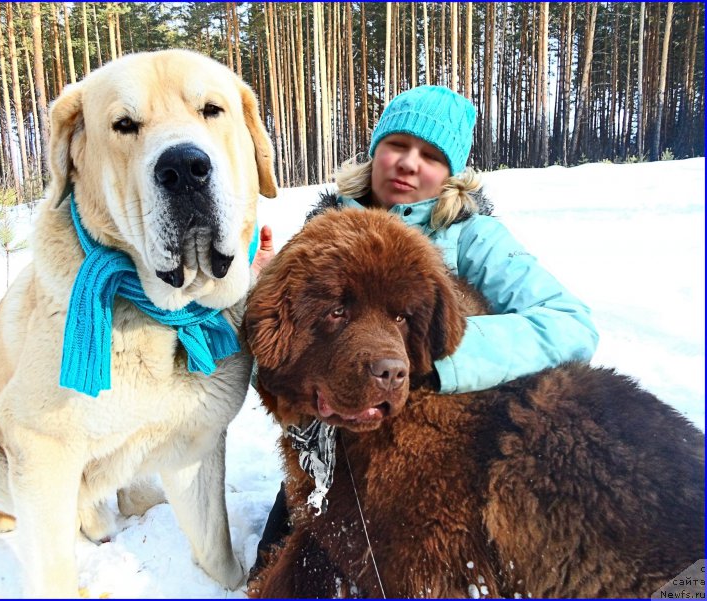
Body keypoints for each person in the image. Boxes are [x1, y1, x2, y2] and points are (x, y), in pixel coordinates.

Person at [249, 84, 599, 571]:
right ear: (375, 150)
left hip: (437, 432)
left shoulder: (472, 235)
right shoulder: (324, 227)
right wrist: (260, 286)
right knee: (273, 561)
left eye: (430, 155)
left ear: (451, 173)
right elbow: (277, 347)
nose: (409, 163)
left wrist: (434, 352)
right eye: (397, 145)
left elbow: (571, 326)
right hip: (327, 438)